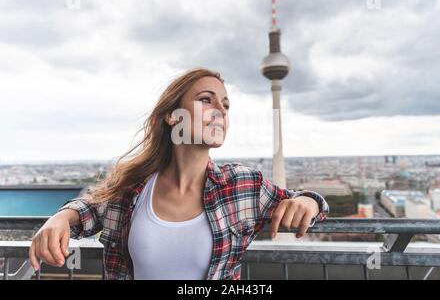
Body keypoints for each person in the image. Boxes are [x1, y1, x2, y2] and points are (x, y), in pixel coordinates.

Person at [28, 67, 329, 280]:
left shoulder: (242, 186)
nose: (221, 111)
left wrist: (309, 202)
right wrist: (61, 218)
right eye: (205, 100)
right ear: (173, 117)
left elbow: (310, 203)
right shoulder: (133, 189)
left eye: (225, 105)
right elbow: (89, 208)